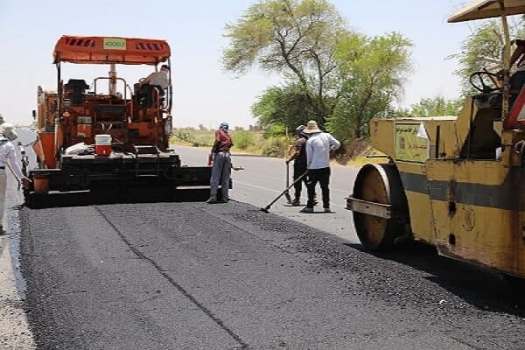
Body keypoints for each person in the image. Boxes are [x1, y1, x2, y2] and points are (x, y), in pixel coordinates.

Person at [301, 120, 340, 214]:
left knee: (311, 187)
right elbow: (337, 144)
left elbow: (309, 157)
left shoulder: (310, 141)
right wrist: (330, 149)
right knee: (325, 187)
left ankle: (310, 207)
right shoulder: (327, 135)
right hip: (325, 166)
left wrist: (308, 167)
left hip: (314, 168)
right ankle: (327, 207)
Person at [0, 124, 30, 233]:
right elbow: (14, 165)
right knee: (1, 199)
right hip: (0, 173)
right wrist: (22, 177)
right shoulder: (8, 145)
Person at [207, 122, 233, 204]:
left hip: (220, 155)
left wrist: (213, 151)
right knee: (225, 178)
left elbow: (217, 140)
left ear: (220, 127)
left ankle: (213, 197)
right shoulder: (228, 135)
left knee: (215, 177)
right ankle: (225, 198)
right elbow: (231, 144)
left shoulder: (219, 132)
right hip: (227, 155)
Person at [286, 125, 309, 206]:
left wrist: (289, 160)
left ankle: (297, 199)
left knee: (297, 182)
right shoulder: (309, 140)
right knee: (307, 181)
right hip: (308, 164)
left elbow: (297, 153)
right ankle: (312, 198)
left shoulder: (300, 141)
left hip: (299, 164)